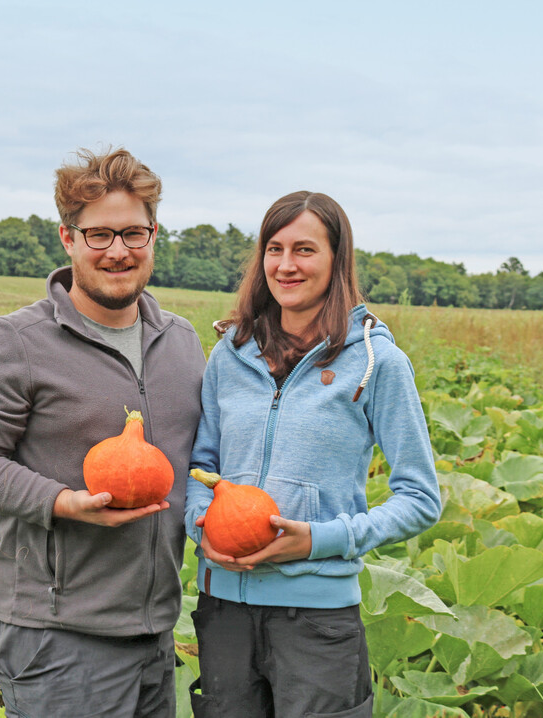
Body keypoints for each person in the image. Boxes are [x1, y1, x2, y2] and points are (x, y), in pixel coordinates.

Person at [0, 147, 206, 718]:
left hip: (156, 629)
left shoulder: (181, 342)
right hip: (57, 636)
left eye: (134, 234)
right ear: (68, 238)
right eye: (99, 235)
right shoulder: (16, 342)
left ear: (154, 235)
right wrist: (61, 502)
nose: (118, 252)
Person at [184, 191, 442, 717]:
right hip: (222, 611)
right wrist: (200, 523)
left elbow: (420, 497)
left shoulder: (376, 363)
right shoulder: (229, 355)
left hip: (317, 617)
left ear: (335, 259)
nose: (285, 265)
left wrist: (320, 541)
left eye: (304, 249)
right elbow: (200, 464)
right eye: (274, 249)